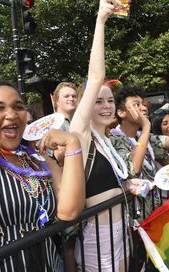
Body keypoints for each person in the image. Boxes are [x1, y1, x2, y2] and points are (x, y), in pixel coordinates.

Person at [0, 3, 85, 270]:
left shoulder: (37, 160)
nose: (12, 114)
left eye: (18, 107)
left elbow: (69, 211)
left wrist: (73, 143)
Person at [69, 1, 131, 271]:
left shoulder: (107, 141)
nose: (107, 106)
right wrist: (101, 20)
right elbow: (96, 76)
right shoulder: (80, 134)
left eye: (110, 101)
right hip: (98, 241)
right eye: (99, 101)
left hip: (122, 232)